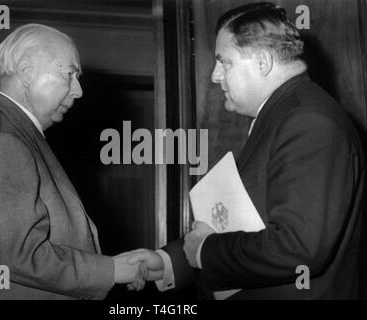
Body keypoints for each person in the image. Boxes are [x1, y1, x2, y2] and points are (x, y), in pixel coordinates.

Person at [127, 2, 365, 299]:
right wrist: (168, 262)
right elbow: (244, 225)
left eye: (224, 62)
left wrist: (203, 251)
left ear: (262, 62)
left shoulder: (307, 120)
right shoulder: (285, 114)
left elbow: (298, 248)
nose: (215, 76)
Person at [0, 23, 145, 299]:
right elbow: (21, 255)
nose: (79, 91)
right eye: (70, 74)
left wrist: (110, 268)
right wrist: (111, 270)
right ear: (26, 72)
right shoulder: (3, 139)